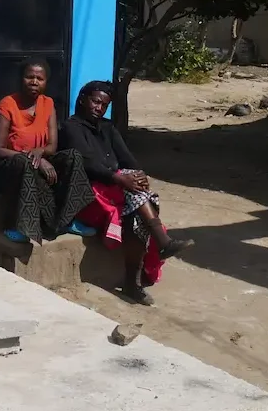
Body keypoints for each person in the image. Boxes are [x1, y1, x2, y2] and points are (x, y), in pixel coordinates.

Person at [61, 80, 194, 305]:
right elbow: (86, 163)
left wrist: (139, 175)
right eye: (95, 102)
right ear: (83, 99)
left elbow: (126, 158)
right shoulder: (71, 127)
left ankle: (133, 283)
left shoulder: (107, 127)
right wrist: (119, 178)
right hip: (88, 191)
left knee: (136, 218)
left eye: (104, 105)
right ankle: (160, 246)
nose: (99, 108)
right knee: (137, 201)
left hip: (116, 187)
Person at [0, 59, 97, 244]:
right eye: (30, 77)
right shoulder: (8, 105)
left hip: (33, 163)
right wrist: (34, 157)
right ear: (21, 79)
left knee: (72, 157)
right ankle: (18, 225)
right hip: (3, 169)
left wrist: (40, 151)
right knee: (24, 163)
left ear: (46, 82)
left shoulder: (47, 104)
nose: (34, 81)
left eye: (39, 78)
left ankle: (67, 219)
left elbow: (52, 146)